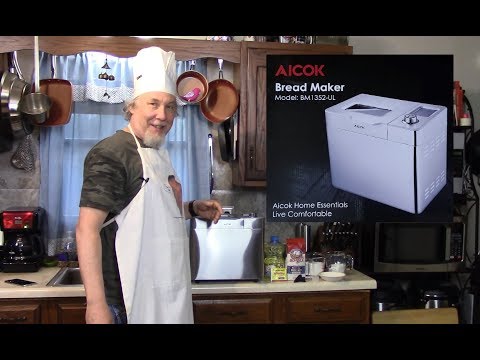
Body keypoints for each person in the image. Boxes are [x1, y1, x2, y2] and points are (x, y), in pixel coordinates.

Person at [76, 46, 223, 324]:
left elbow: (149, 214)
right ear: (132, 106)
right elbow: (87, 230)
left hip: (163, 293)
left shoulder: (156, 151)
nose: (163, 115)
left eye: (170, 107)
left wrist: (191, 208)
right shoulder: (112, 152)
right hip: (125, 301)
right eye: (153, 103)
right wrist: (96, 305)